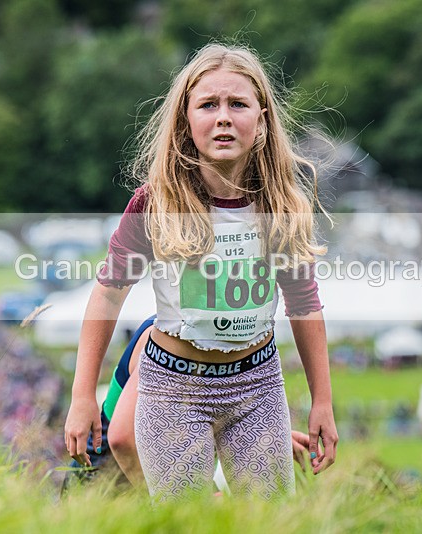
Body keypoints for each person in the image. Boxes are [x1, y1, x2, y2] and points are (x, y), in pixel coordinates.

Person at [64, 42, 338, 501]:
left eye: (238, 104)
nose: (224, 117)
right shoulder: (156, 203)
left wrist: (322, 402)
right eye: (208, 105)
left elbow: (305, 305)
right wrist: (82, 396)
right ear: (186, 121)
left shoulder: (283, 205)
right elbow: (109, 292)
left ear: (263, 121)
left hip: (257, 386)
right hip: (174, 388)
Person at [63, 315, 321, 491]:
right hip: (105, 483)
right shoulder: (166, 339)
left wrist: (256, 437)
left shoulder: (231, 339)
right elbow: (125, 438)